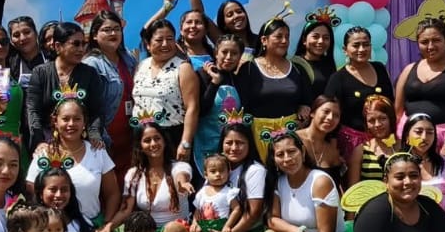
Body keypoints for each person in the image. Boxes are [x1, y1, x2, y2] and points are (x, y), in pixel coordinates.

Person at [103, 119, 193, 232]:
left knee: (173, 228)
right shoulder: (134, 174)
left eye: (157, 138)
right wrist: (110, 225)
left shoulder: (179, 166)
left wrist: (182, 184)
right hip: (147, 231)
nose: (153, 144)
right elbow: (126, 209)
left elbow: (181, 176)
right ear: (140, 146)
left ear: (164, 140)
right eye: (147, 140)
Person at [392, 16, 445, 158]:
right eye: (424, 42)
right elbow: (397, 111)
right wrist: (394, 139)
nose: (430, 46)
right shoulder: (409, 69)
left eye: (436, 40)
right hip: (410, 140)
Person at [26, 97, 120, 226]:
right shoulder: (43, 154)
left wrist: (106, 224)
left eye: (77, 119)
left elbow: (112, 193)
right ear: (55, 121)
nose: (71, 124)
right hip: (52, 231)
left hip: (92, 229)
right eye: (65, 119)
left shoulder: (97, 152)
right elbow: (31, 192)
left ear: (84, 122)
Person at [235, 15, 314, 157]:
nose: (284, 41)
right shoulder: (249, 69)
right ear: (264, 40)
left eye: (287, 37)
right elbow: (242, 107)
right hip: (259, 137)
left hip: (291, 136)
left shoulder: (298, 69)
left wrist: (305, 108)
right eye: (278, 36)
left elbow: (308, 100)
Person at [203, 123, 268, 232]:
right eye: (229, 143)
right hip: (220, 229)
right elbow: (204, 202)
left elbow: (253, 214)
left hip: (247, 231)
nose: (233, 148)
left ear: (249, 144)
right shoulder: (215, 168)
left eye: (240, 143)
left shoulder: (255, 170)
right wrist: (197, 226)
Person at [25, 22, 108, 149]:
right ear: (58, 46)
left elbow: (97, 111)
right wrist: (39, 141)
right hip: (47, 142)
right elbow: (33, 110)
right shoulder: (40, 73)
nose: (81, 49)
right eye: (76, 44)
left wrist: (94, 135)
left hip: (83, 141)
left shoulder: (90, 74)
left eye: (83, 44)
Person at [133, 18, 201, 165]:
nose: (165, 44)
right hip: (143, 137)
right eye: (159, 40)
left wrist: (185, 143)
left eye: (170, 39)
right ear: (148, 44)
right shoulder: (141, 65)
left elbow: (192, 107)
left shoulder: (183, 68)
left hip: (171, 137)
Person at [322, 26, 394, 156]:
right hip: (352, 144)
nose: (361, 49)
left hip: (384, 141)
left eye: (366, 45)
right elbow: (330, 114)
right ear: (345, 50)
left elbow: (391, 103)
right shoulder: (338, 78)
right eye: (356, 45)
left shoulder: (380, 68)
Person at [86, 10, 138, 172]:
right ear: (95, 35)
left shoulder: (128, 58)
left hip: (130, 136)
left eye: (117, 29)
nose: (113, 33)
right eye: (107, 30)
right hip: (105, 138)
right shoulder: (91, 64)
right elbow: (87, 107)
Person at [194, 32, 244, 164]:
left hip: (231, 149)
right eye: (224, 52)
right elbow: (200, 111)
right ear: (216, 53)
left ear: (240, 56)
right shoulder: (201, 75)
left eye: (234, 53)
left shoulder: (238, 80)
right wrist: (214, 82)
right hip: (204, 146)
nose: (228, 57)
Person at [402, 112, 445, 214]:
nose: (424, 137)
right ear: (407, 136)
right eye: (418, 132)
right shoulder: (398, 164)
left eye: (430, 132)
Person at [298, 94, 346, 188]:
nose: (330, 117)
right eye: (326, 112)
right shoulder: (294, 140)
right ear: (312, 113)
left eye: (336, 115)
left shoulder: (333, 150)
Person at [352, 94, 401, 183]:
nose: (377, 124)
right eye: (371, 120)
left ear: (391, 119)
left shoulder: (406, 148)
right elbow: (353, 187)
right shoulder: (361, 150)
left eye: (382, 118)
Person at [292, 11, 337, 97]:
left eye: (326, 38)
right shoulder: (294, 65)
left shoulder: (330, 65)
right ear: (304, 40)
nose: (321, 41)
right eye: (315, 37)